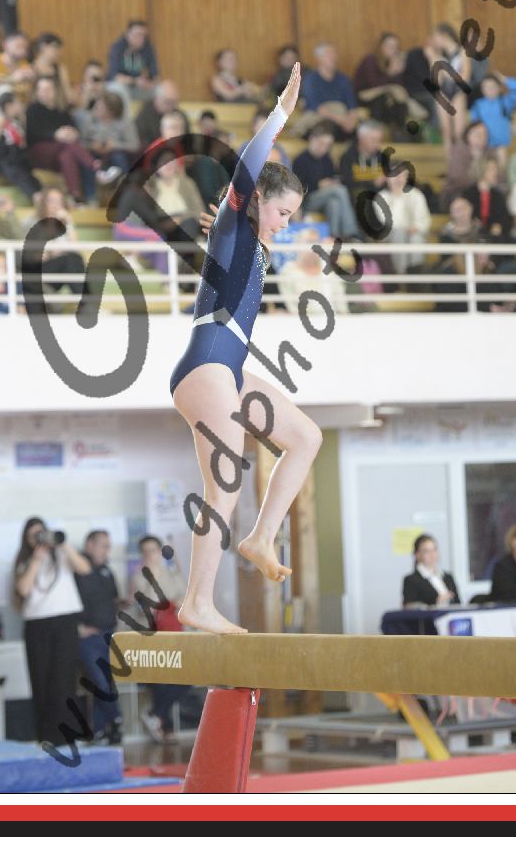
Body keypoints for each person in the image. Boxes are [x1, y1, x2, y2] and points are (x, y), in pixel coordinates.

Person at [170, 64, 323, 634]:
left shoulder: (252, 243)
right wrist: (280, 113)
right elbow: (245, 168)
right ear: (257, 199)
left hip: (227, 371)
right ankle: (197, 602)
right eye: (282, 213)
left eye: (292, 217)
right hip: (207, 365)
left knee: (305, 438)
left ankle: (261, 537)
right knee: (225, 484)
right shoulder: (234, 224)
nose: (286, 224)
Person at [12, 517, 91, 747]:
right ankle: (46, 737)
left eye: (42, 533)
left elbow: (85, 568)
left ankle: (68, 736)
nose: (40, 539)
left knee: (64, 680)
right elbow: (23, 589)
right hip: (37, 625)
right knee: (41, 680)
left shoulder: (62, 556)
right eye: (34, 536)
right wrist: (37, 559)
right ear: (27, 540)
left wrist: (62, 543)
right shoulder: (25, 561)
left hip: (65, 622)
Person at [128, 536, 193, 741]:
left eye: (153, 550)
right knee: (160, 681)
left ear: (159, 552)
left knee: (186, 678)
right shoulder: (138, 577)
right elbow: (144, 605)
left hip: (174, 635)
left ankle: (156, 715)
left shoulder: (171, 573)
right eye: (145, 551)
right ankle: (163, 723)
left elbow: (184, 597)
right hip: (150, 636)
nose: (150, 555)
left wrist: (171, 604)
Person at [76, 530, 124, 745]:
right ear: (90, 545)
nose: (106, 551)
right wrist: (76, 628)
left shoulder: (106, 571)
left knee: (105, 684)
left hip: (109, 634)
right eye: (103, 546)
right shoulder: (77, 571)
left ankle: (99, 731)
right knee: (100, 681)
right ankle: (116, 718)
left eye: (108, 546)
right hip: (89, 637)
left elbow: (112, 599)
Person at [26, 76, 103, 203]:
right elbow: (32, 134)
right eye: (43, 89)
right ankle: (95, 167)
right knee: (68, 145)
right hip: (40, 152)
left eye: (49, 89)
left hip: (60, 152)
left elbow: (73, 128)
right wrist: (55, 135)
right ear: (37, 92)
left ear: (55, 91)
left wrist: (73, 133)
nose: (46, 92)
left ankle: (75, 196)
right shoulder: (32, 109)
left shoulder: (61, 110)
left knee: (66, 156)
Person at [292, 121, 358, 239]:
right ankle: (351, 233)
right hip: (306, 200)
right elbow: (297, 188)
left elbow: (333, 176)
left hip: (325, 197)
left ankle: (333, 237)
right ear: (312, 139)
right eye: (321, 143)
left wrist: (333, 182)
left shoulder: (326, 159)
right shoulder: (300, 160)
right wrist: (319, 185)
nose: (324, 148)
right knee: (340, 190)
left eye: (328, 145)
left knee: (334, 203)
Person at [353, 32, 426, 136]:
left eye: (396, 47)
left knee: (398, 98)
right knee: (382, 99)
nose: (393, 50)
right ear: (381, 47)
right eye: (390, 46)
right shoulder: (370, 60)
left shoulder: (393, 62)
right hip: (364, 96)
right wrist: (391, 72)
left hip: (386, 96)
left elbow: (399, 86)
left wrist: (398, 73)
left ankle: (401, 132)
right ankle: (377, 132)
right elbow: (374, 84)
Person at [0, 93, 44, 207]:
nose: (20, 105)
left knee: (32, 176)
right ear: (8, 106)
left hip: (19, 157)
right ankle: (35, 196)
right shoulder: (0, 120)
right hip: (4, 158)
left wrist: (22, 117)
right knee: (16, 173)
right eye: (17, 103)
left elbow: (23, 142)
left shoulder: (18, 121)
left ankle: (40, 195)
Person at [277, 226, 349, 316]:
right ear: (298, 245)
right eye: (309, 242)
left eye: (317, 243)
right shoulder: (288, 272)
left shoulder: (329, 271)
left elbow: (341, 304)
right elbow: (289, 305)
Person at [376, 166, 432, 272]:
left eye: (402, 176)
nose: (398, 179)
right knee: (399, 234)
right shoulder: (381, 197)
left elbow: (424, 219)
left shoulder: (416, 194)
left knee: (416, 238)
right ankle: (400, 274)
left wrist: (416, 227)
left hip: (413, 233)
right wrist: (398, 197)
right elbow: (388, 222)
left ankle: (415, 275)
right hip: (390, 235)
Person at [298, 42, 359, 138]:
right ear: (319, 58)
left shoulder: (343, 79)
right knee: (328, 127)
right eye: (329, 54)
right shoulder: (310, 80)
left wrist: (352, 121)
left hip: (343, 118)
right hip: (320, 119)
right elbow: (317, 107)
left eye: (334, 54)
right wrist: (342, 121)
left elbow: (351, 104)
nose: (333, 57)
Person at [76, 90, 141, 181]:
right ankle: (90, 189)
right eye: (96, 106)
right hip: (94, 153)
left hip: (115, 155)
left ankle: (123, 185)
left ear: (111, 111)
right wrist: (92, 146)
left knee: (118, 156)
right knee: (87, 158)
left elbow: (134, 145)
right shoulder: (89, 120)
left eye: (99, 108)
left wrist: (115, 145)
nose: (95, 109)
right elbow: (80, 142)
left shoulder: (125, 123)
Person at [0, 30, 37, 128]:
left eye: (25, 47)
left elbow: (28, 97)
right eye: (18, 46)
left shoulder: (25, 65)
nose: (22, 50)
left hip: (18, 114)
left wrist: (34, 82)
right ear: (5, 45)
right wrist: (12, 79)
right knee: (6, 90)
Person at [468, 71, 516, 167]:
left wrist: (504, 79)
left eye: (493, 86)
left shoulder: (505, 102)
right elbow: (474, 125)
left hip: (500, 145)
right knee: (479, 168)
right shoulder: (478, 105)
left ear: (499, 88)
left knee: (501, 169)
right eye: (486, 87)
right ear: (482, 89)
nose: (489, 89)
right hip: (483, 144)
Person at [105, 19, 159, 102]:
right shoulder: (118, 48)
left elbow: (155, 76)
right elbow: (115, 77)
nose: (141, 39)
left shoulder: (148, 48)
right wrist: (135, 81)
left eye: (144, 36)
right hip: (121, 86)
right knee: (118, 89)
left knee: (160, 90)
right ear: (128, 34)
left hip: (139, 88)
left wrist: (150, 84)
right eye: (138, 35)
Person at [462, 154, 511, 241]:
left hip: (494, 239)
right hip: (472, 237)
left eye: (496, 169)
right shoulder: (468, 194)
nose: (496, 172)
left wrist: (499, 226)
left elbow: (505, 219)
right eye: (492, 169)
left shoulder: (498, 195)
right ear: (481, 170)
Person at [337, 119, 387, 204]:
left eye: (379, 140)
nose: (377, 144)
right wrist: (372, 183)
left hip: (380, 198)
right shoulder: (348, 157)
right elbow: (346, 182)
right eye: (373, 140)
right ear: (361, 138)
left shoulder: (382, 157)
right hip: (357, 200)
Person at [442, 120, 490, 208]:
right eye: (477, 134)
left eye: (484, 134)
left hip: (484, 192)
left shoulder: (490, 154)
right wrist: (477, 185)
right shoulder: (459, 152)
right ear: (468, 135)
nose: (481, 137)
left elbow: (499, 175)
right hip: (458, 192)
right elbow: (457, 178)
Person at [402, 534, 459, 606]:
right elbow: (410, 607)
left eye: (434, 550)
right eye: (427, 551)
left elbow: (458, 604)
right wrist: (436, 602)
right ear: (417, 555)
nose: (432, 554)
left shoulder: (448, 577)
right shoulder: (411, 580)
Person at [32, 32, 76, 109]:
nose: (59, 52)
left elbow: (68, 95)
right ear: (43, 47)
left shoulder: (60, 69)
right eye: (55, 47)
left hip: (58, 108)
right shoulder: (31, 68)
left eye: (60, 49)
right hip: (37, 109)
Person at [134, 79, 180, 149]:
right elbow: (140, 142)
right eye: (167, 102)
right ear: (156, 99)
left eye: (174, 102)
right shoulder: (144, 116)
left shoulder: (178, 115)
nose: (171, 106)